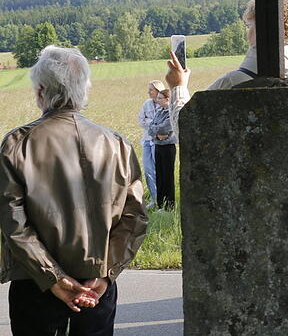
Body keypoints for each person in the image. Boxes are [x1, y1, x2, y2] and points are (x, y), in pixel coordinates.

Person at [0, 46, 148, 335]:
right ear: (84, 89)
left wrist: (54, 278)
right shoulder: (117, 145)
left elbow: (13, 224)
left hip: (35, 286)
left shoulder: (16, 145)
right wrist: (105, 275)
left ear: (40, 91)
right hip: (97, 287)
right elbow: (135, 217)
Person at [165, 0, 288, 137]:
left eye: (250, 26)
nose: (248, 34)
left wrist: (178, 86)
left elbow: (186, 131)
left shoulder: (232, 83)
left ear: (263, 29)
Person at [137, 79, 165, 208]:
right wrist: (152, 123)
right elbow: (141, 120)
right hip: (147, 140)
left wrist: (151, 122)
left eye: (151, 90)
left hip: (158, 141)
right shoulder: (146, 104)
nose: (149, 92)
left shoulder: (164, 104)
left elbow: (163, 123)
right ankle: (154, 199)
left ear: (158, 91)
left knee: (159, 170)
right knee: (148, 170)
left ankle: (162, 200)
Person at [148, 88, 177, 210]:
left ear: (168, 99)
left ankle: (169, 206)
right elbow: (150, 128)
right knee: (159, 176)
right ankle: (160, 204)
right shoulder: (159, 112)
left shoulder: (171, 113)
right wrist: (156, 133)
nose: (157, 100)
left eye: (160, 98)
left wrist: (156, 130)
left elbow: (165, 130)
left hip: (168, 147)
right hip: (158, 146)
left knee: (167, 177)